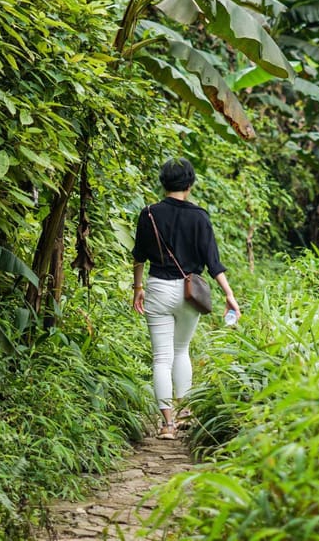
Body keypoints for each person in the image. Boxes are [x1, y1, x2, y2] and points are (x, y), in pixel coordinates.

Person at [131, 158, 240, 440]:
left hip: (158, 289)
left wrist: (137, 287)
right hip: (191, 292)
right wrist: (229, 295)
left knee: (161, 357)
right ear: (190, 184)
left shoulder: (149, 214)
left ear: (163, 183)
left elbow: (138, 256)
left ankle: (167, 425)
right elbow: (213, 262)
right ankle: (183, 413)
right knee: (181, 351)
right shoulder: (200, 216)